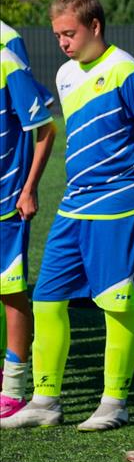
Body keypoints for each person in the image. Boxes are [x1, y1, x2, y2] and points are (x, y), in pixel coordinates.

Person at [1, 0, 134, 431]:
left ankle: (114, 402)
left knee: (116, 301)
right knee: (46, 298)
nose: (62, 42)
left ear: (95, 26)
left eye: (69, 33)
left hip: (119, 204)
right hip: (74, 203)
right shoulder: (64, 74)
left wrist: (131, 179)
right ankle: (45, 400)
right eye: (58, 34)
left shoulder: (125, 69)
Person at [0, 43, 56, 418]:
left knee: (10, 292)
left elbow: (45, 128)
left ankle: (14, 388)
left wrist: (29, 187)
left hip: (5, 202)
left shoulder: (7, 59)